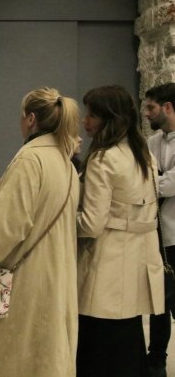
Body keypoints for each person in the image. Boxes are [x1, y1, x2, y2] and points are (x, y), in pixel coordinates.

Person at [0, 87, 80, 377]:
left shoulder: (30, 160)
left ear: (30, 119)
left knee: (7, 360)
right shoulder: (64, 162)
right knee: (43, 361)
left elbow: (8, 229)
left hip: (24, 287)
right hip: (54, 280)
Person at [76, 85, 164, 377]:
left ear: (109, 118)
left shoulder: (103, 159)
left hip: (106, 265)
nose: (85, 121)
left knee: (98, 354)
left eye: (91, 115)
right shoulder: (145, 156)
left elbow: (92, 224)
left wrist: (63, 220)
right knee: (129, 345)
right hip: (138, 262)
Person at [145, 83, 175, 377]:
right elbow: (143, 180)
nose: (146, 113)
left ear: (167, 107)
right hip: (154, 235)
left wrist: (158, 179)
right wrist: (160, 179)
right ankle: (156, 362)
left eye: (151, 107)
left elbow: (167, 185)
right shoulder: (151, 142)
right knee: (157, 303)